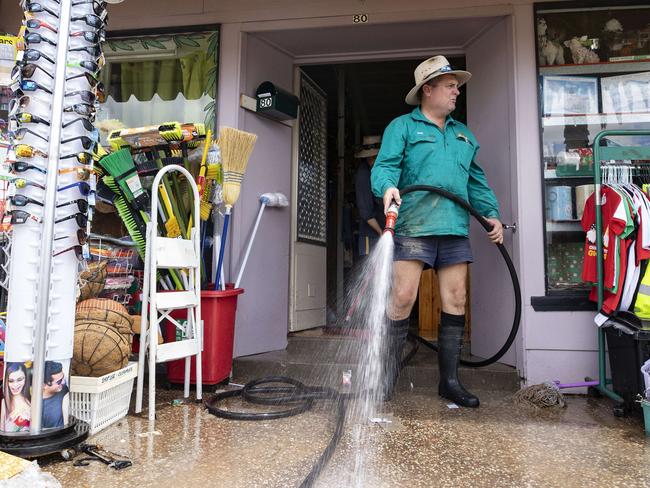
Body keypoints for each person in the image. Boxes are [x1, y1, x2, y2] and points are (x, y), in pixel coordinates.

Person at [371, 55, 503, 407]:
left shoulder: (464, 134)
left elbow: (476, 181)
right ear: (427, 90)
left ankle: (449, 381)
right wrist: (386, 188)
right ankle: (384, 378)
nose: (455, 91)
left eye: (456, 86)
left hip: (454, 226)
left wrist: (491, 215)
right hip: (414, 224)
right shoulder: (402, 127)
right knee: (402, 297)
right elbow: (384, 167)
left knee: (456, 298)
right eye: (448, 85)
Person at [354, 135, 386, 259]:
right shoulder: (364, 174)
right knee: (371, 272)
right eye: (370, 157)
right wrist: (381, 233)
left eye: (375, 156)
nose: (372, 160)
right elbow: (366, 212)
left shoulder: (382, 172)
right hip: (371, 234)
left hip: (386, 230)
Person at [1, 362, 31, 432]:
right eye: (11, 381)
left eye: (19, 379)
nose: (15, 385)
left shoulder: (32, 400)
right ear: (7, 382)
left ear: (26, 379)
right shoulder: (4, 403)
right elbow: (2, 432)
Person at [42, 361, 70, 429]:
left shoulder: (64, 390)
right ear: (44, 385)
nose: (63, 382)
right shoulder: (36, 406)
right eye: (59, 381)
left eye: (63, 378)